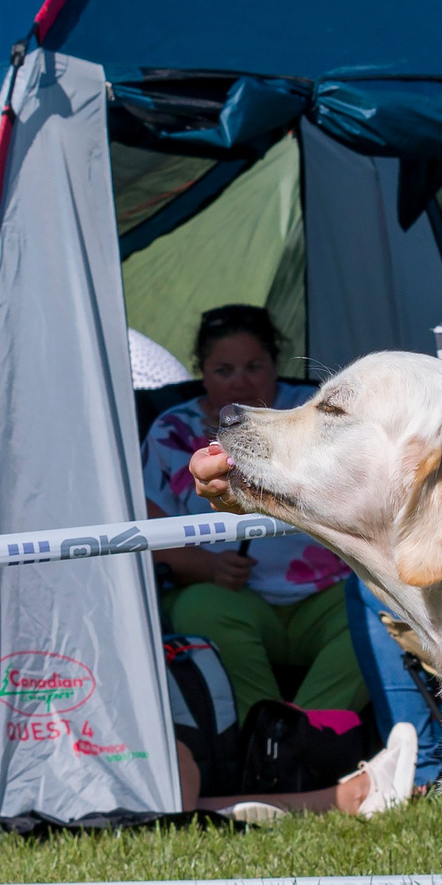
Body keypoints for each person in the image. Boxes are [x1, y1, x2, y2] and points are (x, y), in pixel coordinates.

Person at [143, 304, 368, 725]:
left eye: (254, 366)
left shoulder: (315, 410)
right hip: (234, 599)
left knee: (378, 607)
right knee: (198, 610)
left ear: (275, 364)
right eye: (223, 370)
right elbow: (146, 530)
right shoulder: (172, 431)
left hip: (326, 594)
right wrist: (207, 566)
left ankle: (302, 736)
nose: (242, 382)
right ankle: (258, 733)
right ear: (202, 372)